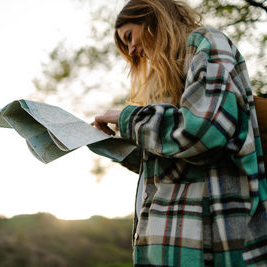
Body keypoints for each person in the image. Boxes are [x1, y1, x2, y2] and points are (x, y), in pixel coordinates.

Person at [92, 0, 267, 266]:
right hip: (170, 244)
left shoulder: (205, 42)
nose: (132, 49)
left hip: (212, 238)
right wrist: (108, 144)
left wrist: (128, 116)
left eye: (129, 37)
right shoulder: (164, 82)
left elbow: (203, 132)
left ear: (152, 16)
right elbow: (172, 160)